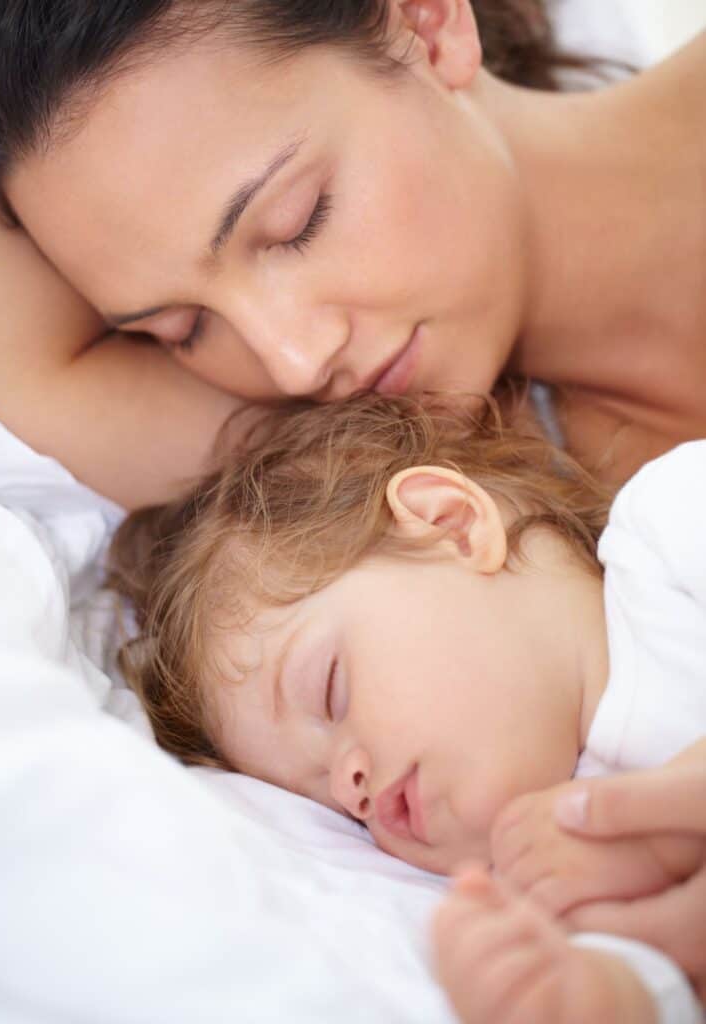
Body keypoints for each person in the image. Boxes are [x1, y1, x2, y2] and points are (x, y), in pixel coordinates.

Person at [108, 391, 705, 1023]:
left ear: (451, 525)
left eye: (331, 692)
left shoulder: (670, 532)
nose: (350, 785)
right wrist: (588, 991)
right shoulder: (554, 881)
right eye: (338, 808)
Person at [0, 1, 704, 508]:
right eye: (179, 330)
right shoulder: (437, 473)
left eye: (297, 224)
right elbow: (18, 375)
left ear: (427, 24)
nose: (292, 361)